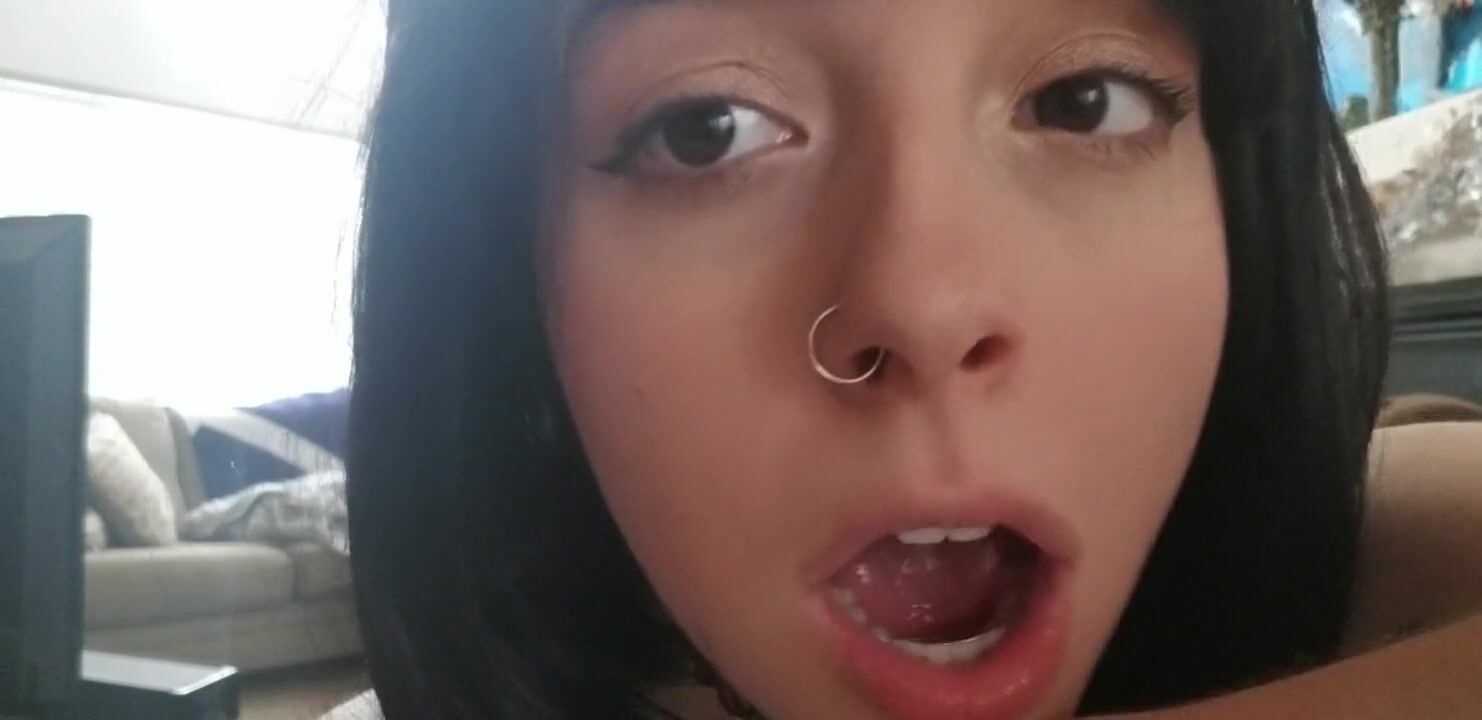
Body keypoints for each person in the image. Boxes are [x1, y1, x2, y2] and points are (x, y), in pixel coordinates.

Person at [343, 0, 1482, 718]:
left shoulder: (1391, 537)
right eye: (706, 128)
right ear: (503, 273)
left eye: (1082, 101)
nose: (925, 308)